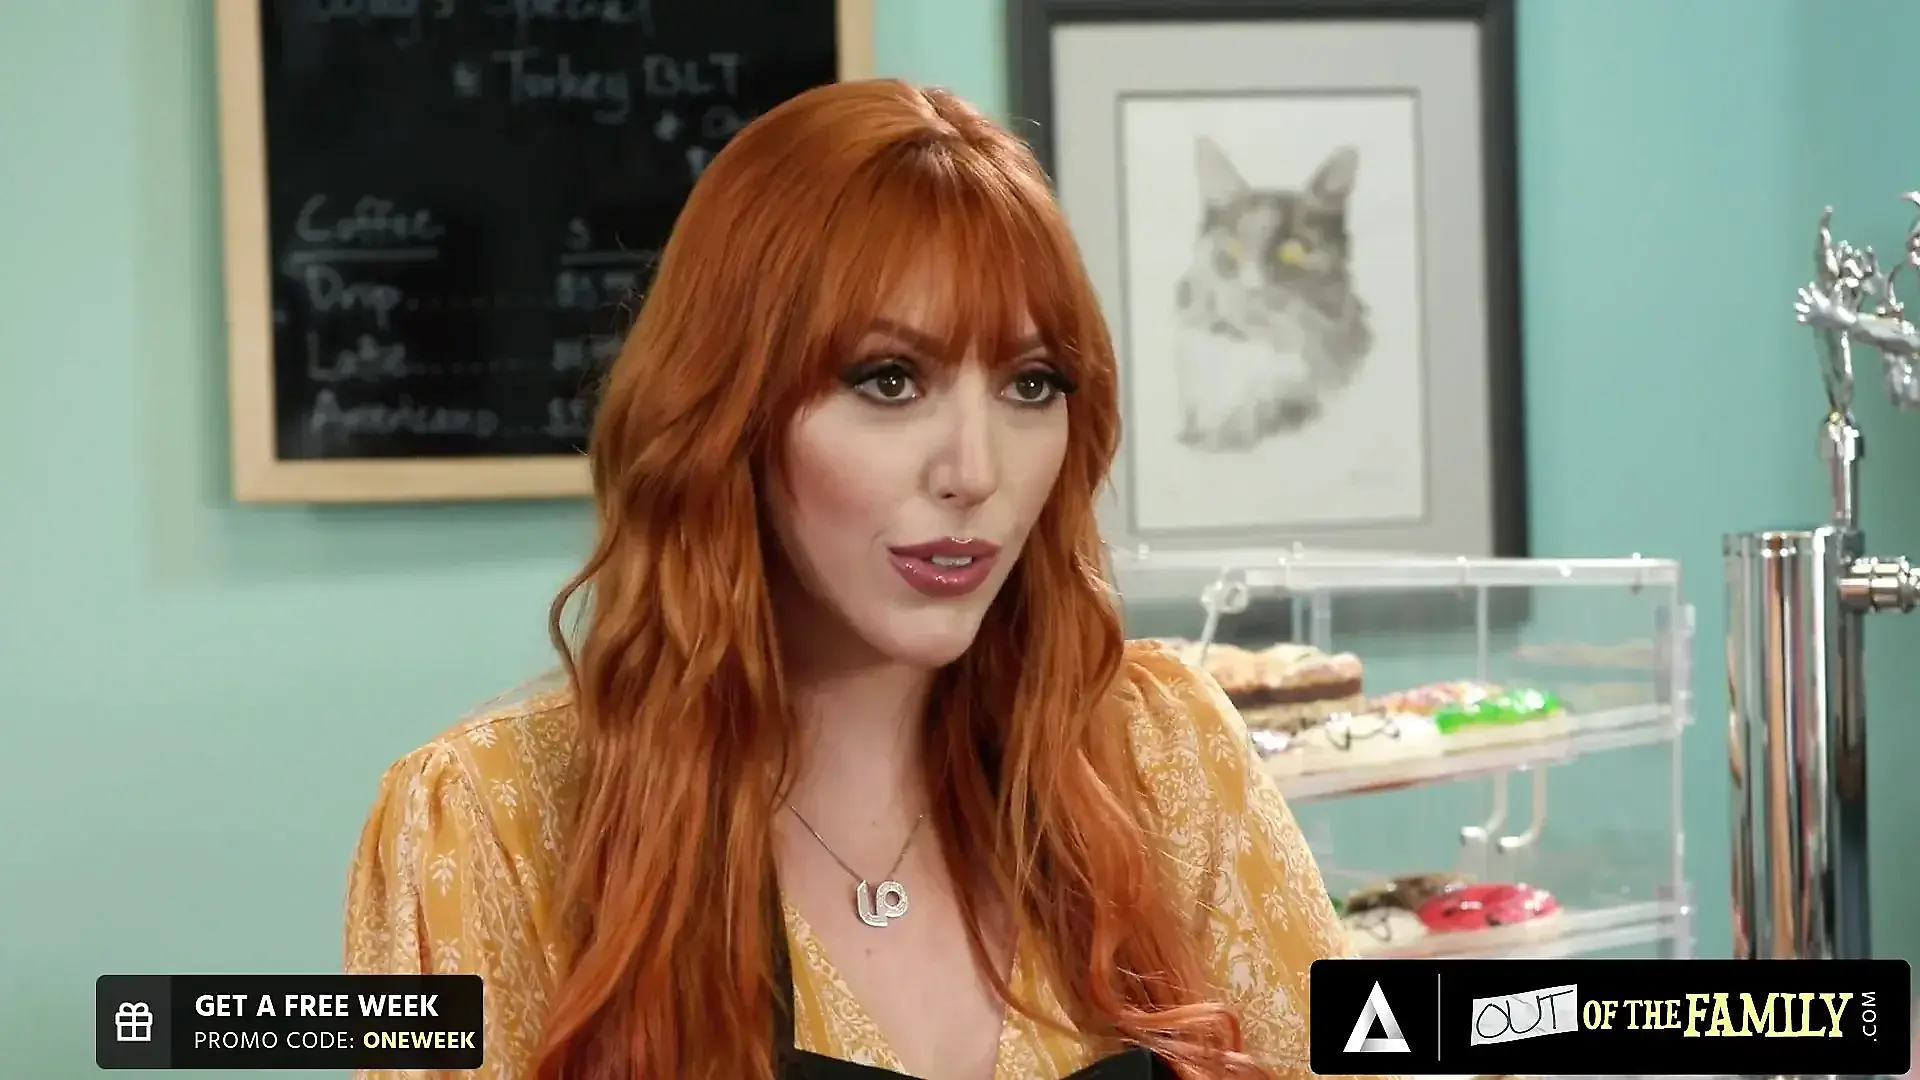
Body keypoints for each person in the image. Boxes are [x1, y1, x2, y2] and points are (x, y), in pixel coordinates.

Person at [344, 78, 1376, 1080]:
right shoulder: (490, 820)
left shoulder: (1165, 757)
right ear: (728, 414)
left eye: (1030, 384)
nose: (974, 471)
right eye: (889, 380)